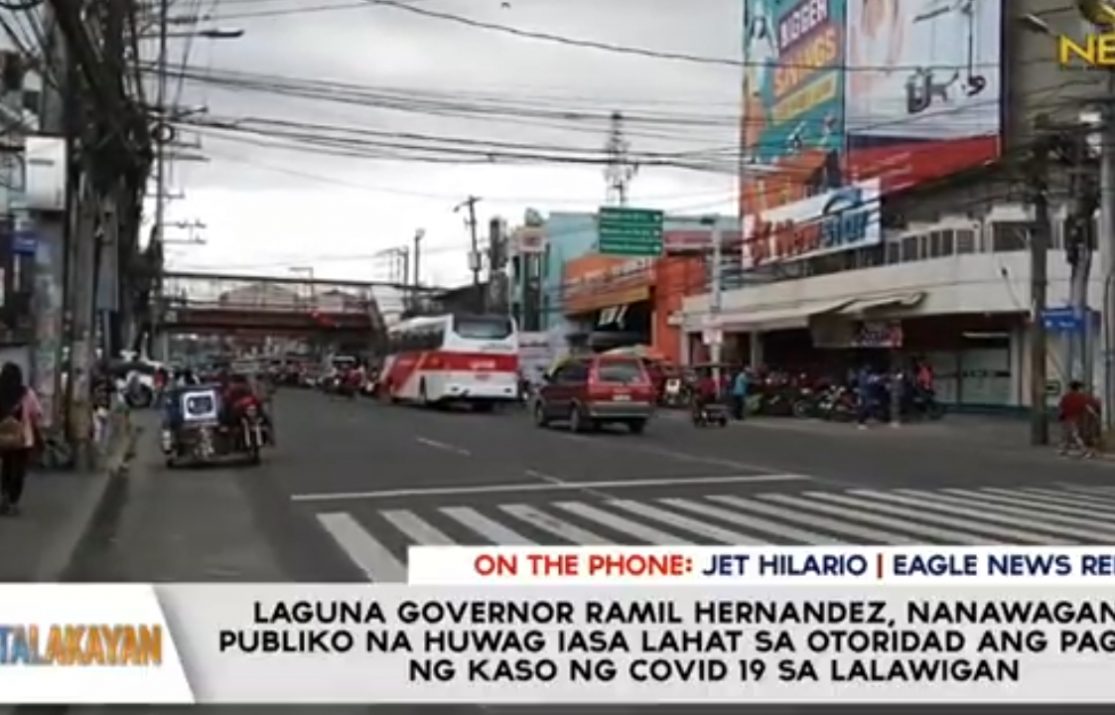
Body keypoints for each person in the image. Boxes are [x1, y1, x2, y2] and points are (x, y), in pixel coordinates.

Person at [0, 363, 42, 516]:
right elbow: (37, 413)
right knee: (18, 469)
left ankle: (4, 496)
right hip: (22, 438)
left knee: (6, 467)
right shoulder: (27, 394)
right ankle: (13, 502)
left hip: (2, 438)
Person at [1058, 381, 1101, 458]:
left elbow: (1061, 407)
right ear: (1078, 388)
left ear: (1070, 388)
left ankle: (1083, 450)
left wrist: (1061, 416)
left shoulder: (1066, 397)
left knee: (1070, 435)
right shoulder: (1081, 397)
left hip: (1067, 418)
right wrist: (1094, 414)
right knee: (1072, 434)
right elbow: (1087, 406)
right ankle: (1065, 449)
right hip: (1077, 418)